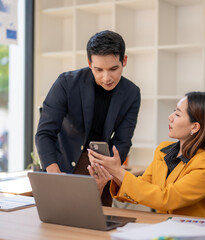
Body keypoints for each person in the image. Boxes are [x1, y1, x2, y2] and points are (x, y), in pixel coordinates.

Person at [35, 30, 141, 206]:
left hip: (102, 169)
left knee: (98, 227)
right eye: (98, 69)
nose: (106, 78)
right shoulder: (66, 83)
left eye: (114, 69)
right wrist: (53, 171)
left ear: (124, 61)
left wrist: (111, 169)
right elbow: (44, 133)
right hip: (62, 166)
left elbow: (123, 140)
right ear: (89, 63)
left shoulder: (131, 93)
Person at [88, 91, 205, 218]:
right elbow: (143, 186)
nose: (170, 117)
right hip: (162, 228)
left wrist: (119, 172)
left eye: (177, 114)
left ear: (195, 127)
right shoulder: (163, 150)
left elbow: (167, 198)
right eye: (174, 112)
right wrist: (114, 174)